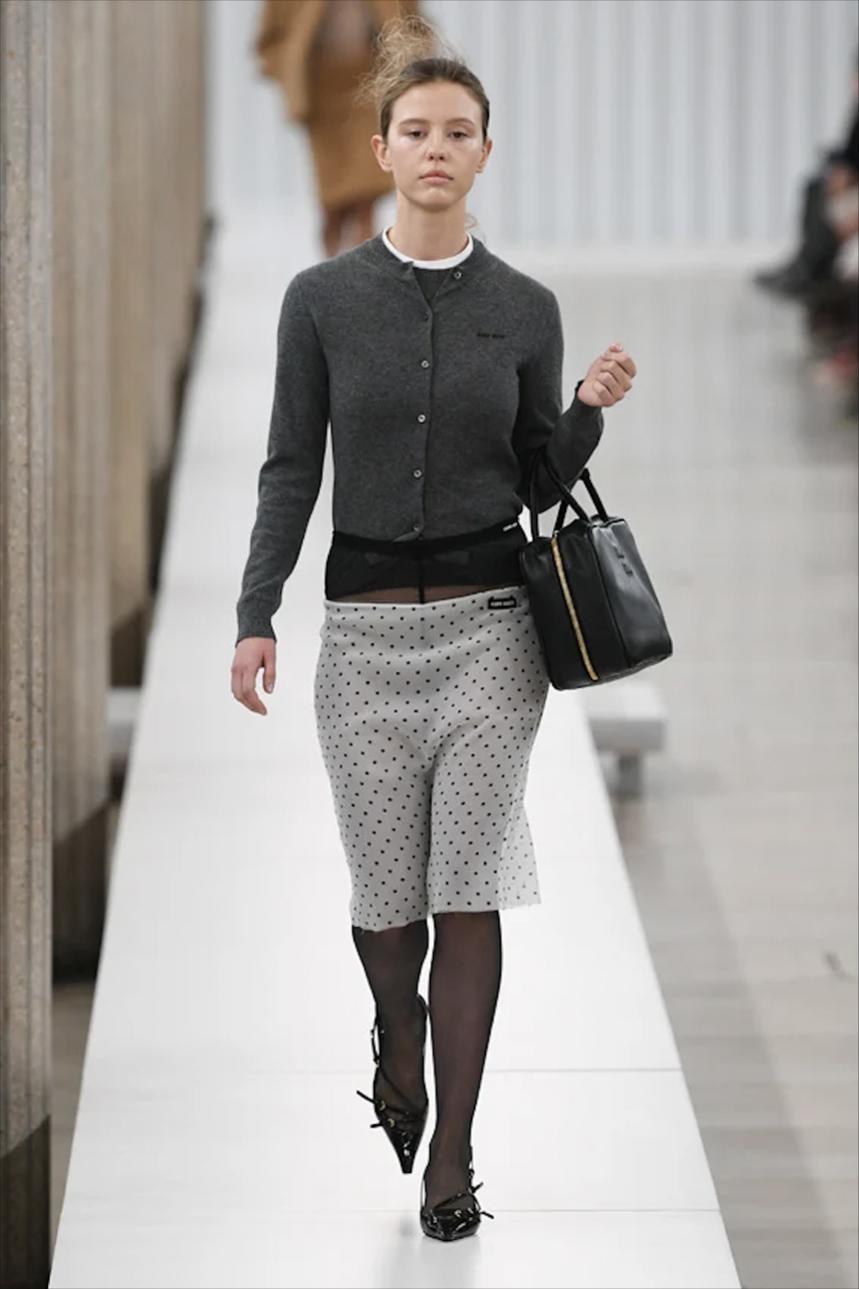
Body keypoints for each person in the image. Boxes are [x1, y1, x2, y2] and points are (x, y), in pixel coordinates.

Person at [231, 11, 637, 1242]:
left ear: (485, 153)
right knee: (384, 899)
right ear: (382, 148)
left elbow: (536, 477)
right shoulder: (321, 301)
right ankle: (396, 1024)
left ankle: (451, 1153)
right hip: (360, 642)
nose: (437, 150)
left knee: (467, 887)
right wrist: (256, 610)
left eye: (459, 132)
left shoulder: (524, 306)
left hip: (489, 638)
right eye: (416, 131)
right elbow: (290, 464)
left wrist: (584, 411)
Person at [254, 0, 421, 258]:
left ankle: (363, 274)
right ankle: (333, 269)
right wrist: (287, 70)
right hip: (320, 94)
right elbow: (269, 40)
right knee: (333, 204)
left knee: (366, 197)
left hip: (372, 86)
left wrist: (410, 65)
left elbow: (415, 25)